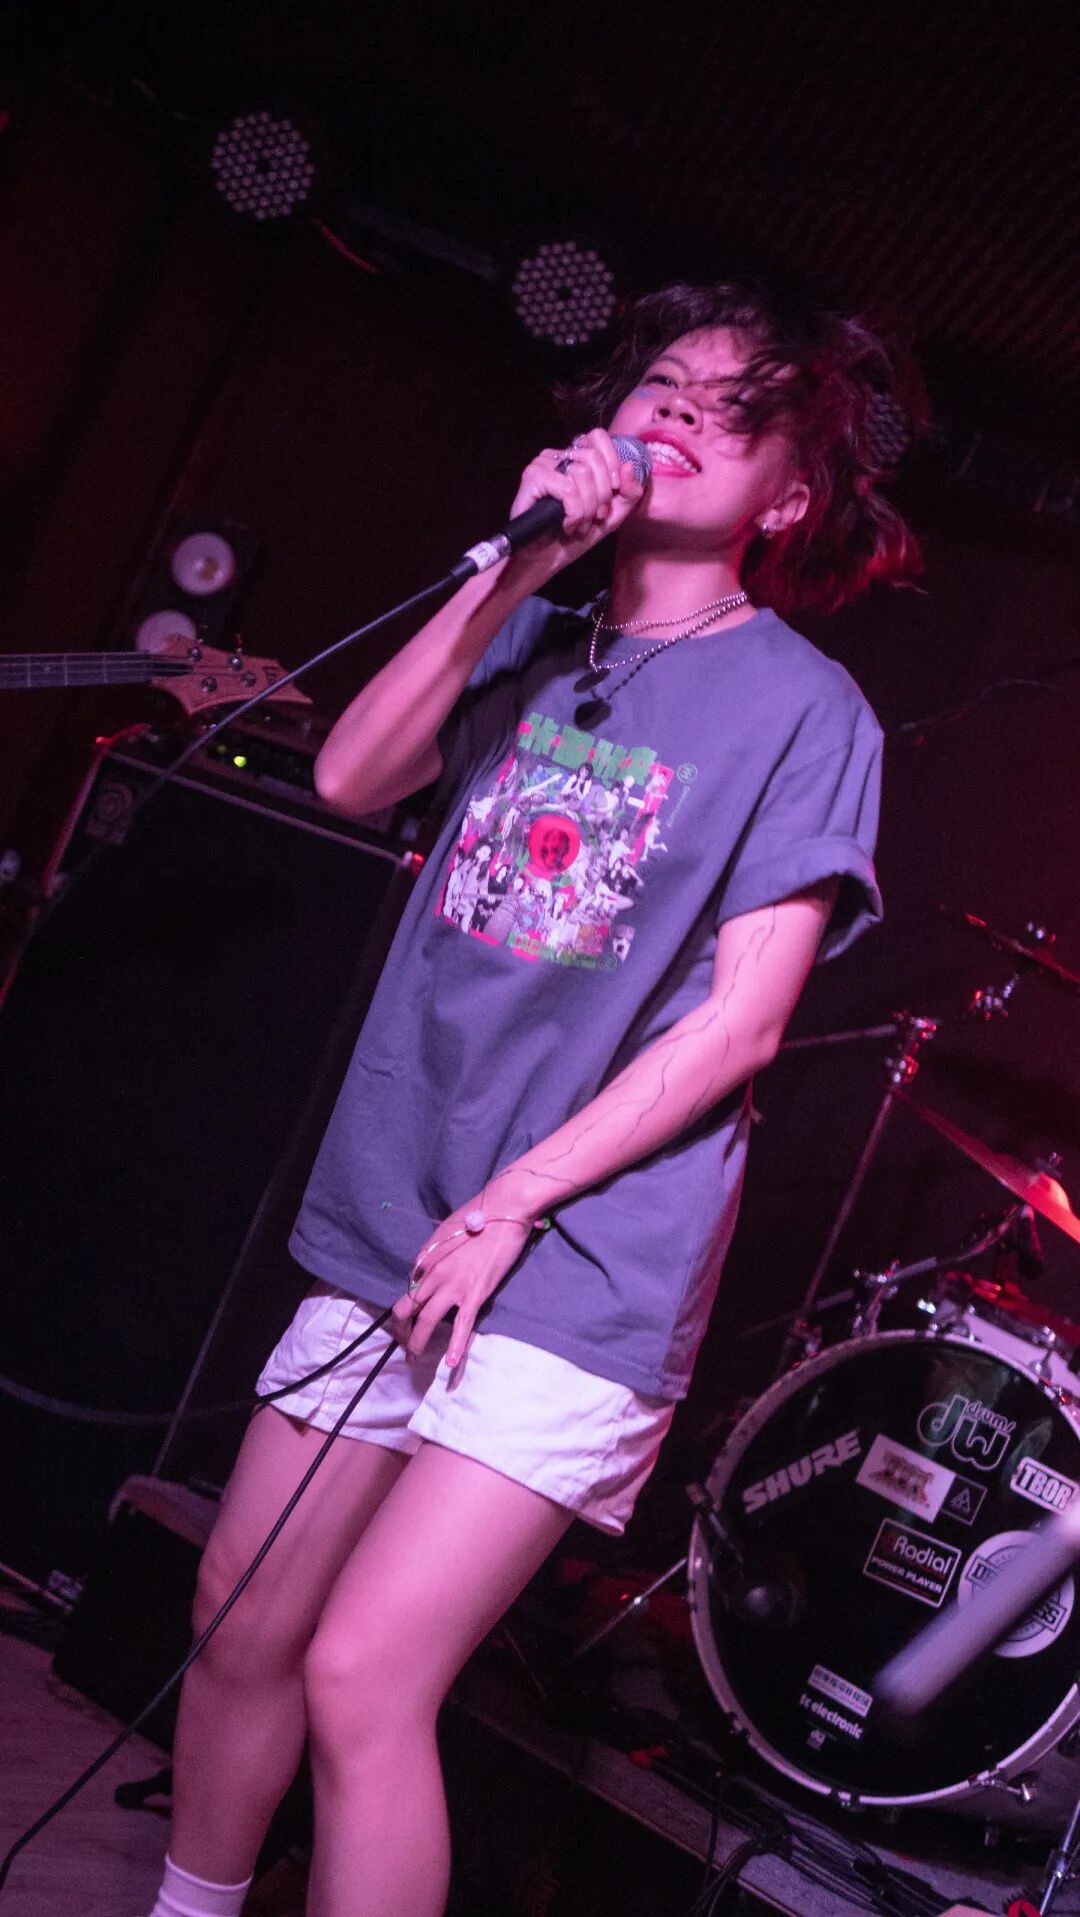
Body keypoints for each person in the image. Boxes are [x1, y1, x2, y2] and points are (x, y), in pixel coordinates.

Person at [144, 280, 919, 1917]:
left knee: (363, 1674)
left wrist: (515, 1200)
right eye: (662, 382)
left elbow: (744, 1023)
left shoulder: (809, 711)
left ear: (788, 497)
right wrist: (517, 564)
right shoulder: (525, 628)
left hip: (581, 1256)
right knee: (239, 1617)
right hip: (400, 1208)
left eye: (730, 406)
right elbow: (351, 774)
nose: (678, 409)